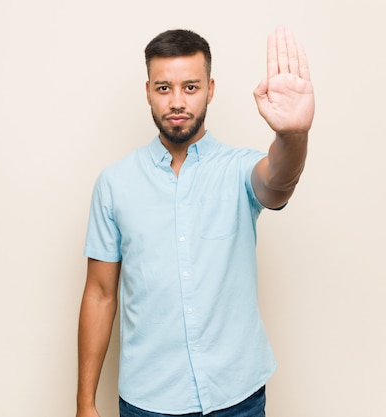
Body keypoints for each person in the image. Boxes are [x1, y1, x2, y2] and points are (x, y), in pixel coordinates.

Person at [76, 27, 314, 417]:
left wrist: (294, 136)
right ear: (148, 91)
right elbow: (100, 294)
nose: (177, 102)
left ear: (210, 88)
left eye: (190, 87)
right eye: (164, 88)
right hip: (148, 401)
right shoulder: (115, 184)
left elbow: (278, 181)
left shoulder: (238, 169)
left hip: (237, 397)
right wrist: (84, 402)